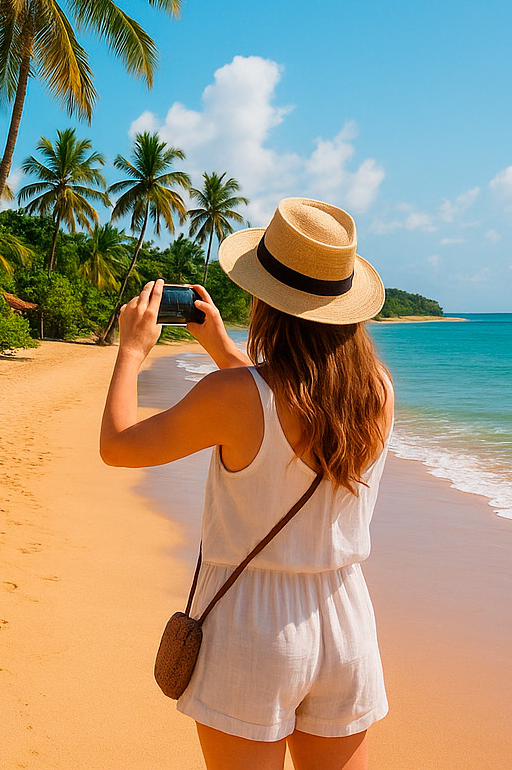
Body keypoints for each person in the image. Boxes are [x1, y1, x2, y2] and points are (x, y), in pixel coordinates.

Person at [100, 197, 394, 770]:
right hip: (345, 617)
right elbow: (290, 402)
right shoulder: (375, 392)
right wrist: (220, 350)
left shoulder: (232, 398)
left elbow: (117, 445)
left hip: (252, 625)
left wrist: (131, 352)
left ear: (266, 303)